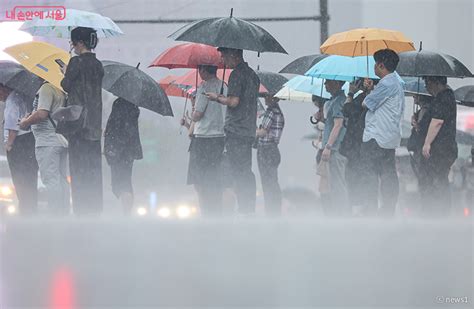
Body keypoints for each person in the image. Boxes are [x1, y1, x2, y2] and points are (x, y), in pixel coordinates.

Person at [205, 48, 260, 215]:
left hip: (236, 129)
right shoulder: (253, 75)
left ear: (234, 55)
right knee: (245, 169)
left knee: (238, 170)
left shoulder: (236, 74)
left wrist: (217, 98)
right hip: (249, 129)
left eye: (224, 56)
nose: (222, 60)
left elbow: (234, 101)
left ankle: (244, 208)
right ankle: (248, 206)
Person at [60, 27, 104, 215]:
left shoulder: (75, 62)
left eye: (72, 43)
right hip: (94, 125)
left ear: (79, 42)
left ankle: (81, 211)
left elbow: (67, 85)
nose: (72, 46)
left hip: (78, 125)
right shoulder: (98, 64)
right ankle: (95, 210)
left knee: (78, 170)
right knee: (93, 170)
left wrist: (66, 71)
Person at [360, 49, 405, 217]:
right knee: (388, 173)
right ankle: (388, 209)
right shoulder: (397, 83)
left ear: (381, 65)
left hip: (376, 137)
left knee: (371, 173)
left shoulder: (386, 84)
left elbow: (366, 104)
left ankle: (371, 208)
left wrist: (367, 90)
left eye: (375, 64)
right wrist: (373, 88)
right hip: (390, 137)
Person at [19, 82, 70, 215]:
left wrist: (26, 122)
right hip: (59, 139)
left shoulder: (47, 88)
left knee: (51, 179)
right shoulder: (61, 90)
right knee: (62, 179)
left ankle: (55, 214)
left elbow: (42, 113)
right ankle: (63, 212)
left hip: (47, 141)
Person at [182, 65, 226, 216]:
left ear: (204, 71)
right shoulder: (224, 86)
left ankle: (205, 211)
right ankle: (217, 210)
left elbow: (198, 115)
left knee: (199, 179)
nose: (199, 73)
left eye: (200, 70)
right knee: (214, 178)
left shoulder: (204, 87)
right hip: (220, 138)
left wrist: (193, 110)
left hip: (203, 140)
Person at [418, 76, 458, 217]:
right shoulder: (444, 97)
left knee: (437, 180)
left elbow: (437, 122)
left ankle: (437, 212)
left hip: (440, 148)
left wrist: (427, 143)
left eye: (427, 83)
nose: (427, 87)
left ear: (435, 82)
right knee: (437, 179)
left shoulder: (444, 98)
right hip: (443, 147)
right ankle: (436, 210)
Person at [0, 84, 38, 215]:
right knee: (30, 178)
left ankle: (26, 209)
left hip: (19, 143)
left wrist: (9, 144)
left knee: (20, 178)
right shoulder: (22, 96)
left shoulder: (12, 101)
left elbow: (12, 126)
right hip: (29, 140)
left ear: (3, 89)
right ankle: (31, 208)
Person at [104, 98, 143, 214]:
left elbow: (114, 126)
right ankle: (126, 211)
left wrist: (109, 138)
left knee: (120, 182)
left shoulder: (119, 103)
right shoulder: (134, 106)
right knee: (126, 181)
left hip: (119, 149)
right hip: (129, 149)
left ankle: (125, 211)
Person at [340, 78, 372, 215]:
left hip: (358, 144)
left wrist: (351, 93)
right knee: (354, 175)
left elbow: (347, 109)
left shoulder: (366, 99)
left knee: (356, 175)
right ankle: (358, 204)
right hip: (356, 144)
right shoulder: (363, 98)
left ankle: (359, 205)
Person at [319, 79, 348, 216]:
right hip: (331, 149)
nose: (325, 85)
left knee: (337, 182)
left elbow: (338, 124)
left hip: (335, 150)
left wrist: (328, 147)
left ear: (337, 84)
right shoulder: (334, 100)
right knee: (332, 182)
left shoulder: (339, 101)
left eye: (328, 82)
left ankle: (341, 213)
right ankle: (337, 212)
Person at [255, 94, 285, 216]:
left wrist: (253, 130)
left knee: (268, 183)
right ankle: (274, 209)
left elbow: (262, 133)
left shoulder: (271, 111)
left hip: (266, 150)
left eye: (268, 96)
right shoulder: (278, 112)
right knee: (272, 181)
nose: (265, 98)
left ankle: (271, 211)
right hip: (273, 149)